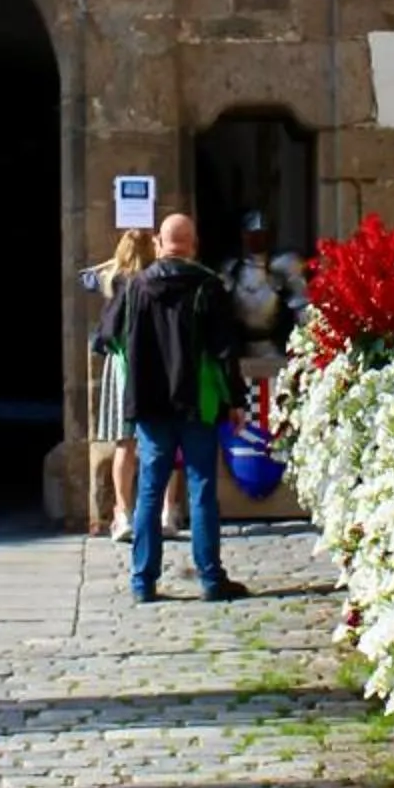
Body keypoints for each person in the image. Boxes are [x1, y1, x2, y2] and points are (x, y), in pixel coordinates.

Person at [96, 210, 249, 604]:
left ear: (161, 245)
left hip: (149, 402)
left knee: (149, 489)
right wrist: (235, 400)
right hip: (198, 401)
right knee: (201, 490)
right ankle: (211, 579)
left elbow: (106, 337)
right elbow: (225, 350)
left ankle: (143, 581)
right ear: (194, 246)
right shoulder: (209, 286)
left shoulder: (134, 287)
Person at [82, 229, 152, 540]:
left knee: (124, 443)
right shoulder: (153, 282)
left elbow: (84, 278)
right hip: (151, 366)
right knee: (156, 442)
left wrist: (113, 263)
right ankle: (160, 510)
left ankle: (123, 512)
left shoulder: (113, 280)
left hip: (120, 366)